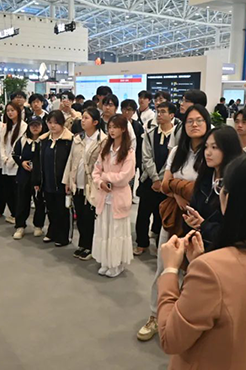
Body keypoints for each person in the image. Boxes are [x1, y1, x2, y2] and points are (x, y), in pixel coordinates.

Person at [157, 152, 246, 370]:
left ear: (229, 199)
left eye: (221, 186)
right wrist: (200, 263)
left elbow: (170, 338)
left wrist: (169, 270)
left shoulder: (211, 269)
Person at [137, 104, 211, 342]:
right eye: (189, 121)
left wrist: (178, 188)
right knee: (165, 267)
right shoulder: (177, 151)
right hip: (174, 217)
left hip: (201, 220)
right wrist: (180, 194)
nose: (194, 125)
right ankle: (155, 315)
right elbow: (165, 184)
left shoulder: (211, 152)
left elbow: (205, 189)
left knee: (195, 272)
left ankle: (187, 321)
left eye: (199, 120)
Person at [183, 125, 243, 251]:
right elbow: (194, 207)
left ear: (229, 149)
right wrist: (191, 221)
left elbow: (234, 231)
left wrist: (203, 225)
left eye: (214, 147)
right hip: (197, 246)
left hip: (222, 252)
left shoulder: (236, 183)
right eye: (206, 147)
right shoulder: (205, 177)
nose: (208, 152)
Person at [92, 114, 136, 277]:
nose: (111, 130)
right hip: (104, 197)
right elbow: (96, 171)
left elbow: (124, 177)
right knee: (104, 229)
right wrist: (100, 182)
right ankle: (106, 261)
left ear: (123, 129)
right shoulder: (105, 149)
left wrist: (105, 176)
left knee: (117, 232)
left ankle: (116, 264)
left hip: (119, 198)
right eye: (110, 127)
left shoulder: (129, 152)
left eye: (115, 127)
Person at [63, 107, 107, 259]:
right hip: (77, 184)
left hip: (92, 186)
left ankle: (90, 246)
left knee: (90, 217)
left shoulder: (103, 140)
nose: (82, 121)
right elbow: (70, 160)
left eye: (86, 118)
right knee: (80, 217)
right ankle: (82, 244)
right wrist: (67, 181)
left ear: (95, 122)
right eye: (82, 118)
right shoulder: (78, 138)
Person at [135, 102, 176, 256]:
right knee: (143, 214)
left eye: (163, 112)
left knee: (162, 214)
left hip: (167, 183)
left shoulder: (177, 136)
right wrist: (155, 179)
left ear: (171, 115)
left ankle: (161, 245)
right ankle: (142, 243)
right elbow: (146, 158)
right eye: (158, 112)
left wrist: (162, 180)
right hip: (149, 181)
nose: (159, 115)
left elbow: (172, 161)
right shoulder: (149, 134)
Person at [33, 110, 73, 247]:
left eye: (56, 123)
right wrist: (37, 180)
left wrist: (69, 180)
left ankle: (63, 236)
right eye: (50, 122)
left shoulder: (69, 141)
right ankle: (52, 231)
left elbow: (71, 163)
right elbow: (38, 162)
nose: (53, 126)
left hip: (62, 181)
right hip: (47, 180)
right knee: (50, 208)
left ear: (62, 123)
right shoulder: (43, 140)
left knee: (62, 209)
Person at [12, 116, 46, 240]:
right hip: (24, 175)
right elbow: (15, 154)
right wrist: (21, 162)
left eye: (37, 125)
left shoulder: (45, 141)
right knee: (22, 201)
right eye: (32, 125)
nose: (35, 128)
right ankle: (20, 226)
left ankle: (38, 225)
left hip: (39, 176)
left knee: (39, 201)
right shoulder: (22, 140)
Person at [0, 102, 27, 224]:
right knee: (7, 191)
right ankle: (13, 213)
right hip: (5, 164)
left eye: (12, 110)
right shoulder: (5, 127)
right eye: (8, 110)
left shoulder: (23, 126)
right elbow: (1, 144)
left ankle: (17, 215)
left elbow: (18, 145)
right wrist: (4, 158)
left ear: (18, 111)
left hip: (16, 164)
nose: (10, 113)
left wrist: (10, 160)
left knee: (17, 192)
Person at [120, 99, 144, 172]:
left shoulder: (138, 126)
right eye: (124, 109)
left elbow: (140, 145)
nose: (126, 112)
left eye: (129, 110)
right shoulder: (117, 124)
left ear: (134, 111)